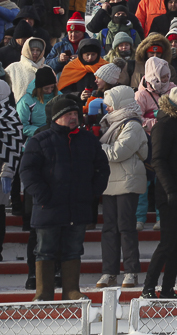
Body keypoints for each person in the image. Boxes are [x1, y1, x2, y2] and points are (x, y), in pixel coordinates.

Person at [19, 95, 109, 301]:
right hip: (48, 207)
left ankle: (71, 291)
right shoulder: (39, 140)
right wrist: (43, 195)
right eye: (68, 114)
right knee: (45, 251)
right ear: (57, 117)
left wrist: (92, 192)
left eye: (75, 114)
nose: (73, 117)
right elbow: (27, 172)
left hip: (77, 206)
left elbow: (102, 168)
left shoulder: (88, 140)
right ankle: (43, 294)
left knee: (73, 250)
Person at [140, 86, 177, 298]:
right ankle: (148, 288)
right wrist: (170, 190)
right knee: (167, 243)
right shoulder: (164, 125)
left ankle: (167, 289)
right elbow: (158, 160)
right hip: (170, 195)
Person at [97, 85, 148, 289]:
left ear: (120, 103)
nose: (107, 108)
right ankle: (109, 272)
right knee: (109, 228)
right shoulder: (109, 125)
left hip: (127, 180)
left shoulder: (132, 124)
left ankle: (131, 271)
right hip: (110, 181)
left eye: (110, 104)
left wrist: (96, 145)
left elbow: (119, 152)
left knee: (126, 226)